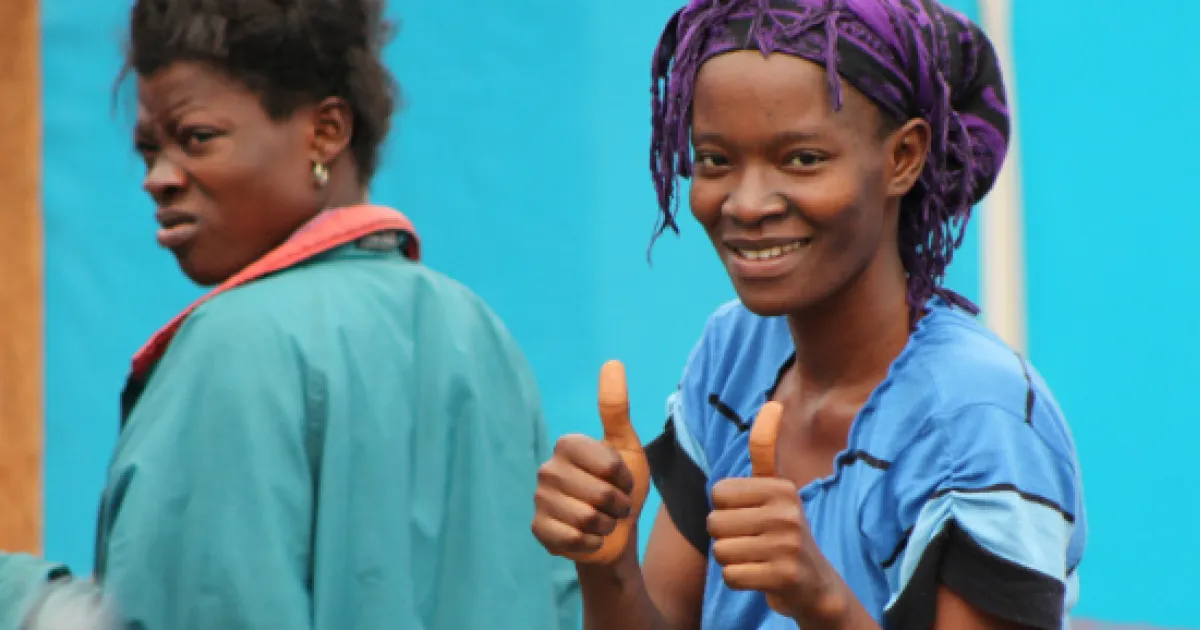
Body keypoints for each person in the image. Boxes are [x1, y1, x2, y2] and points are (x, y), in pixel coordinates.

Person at [0, 0, 579, 628]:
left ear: (326, 131)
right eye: (147, 150)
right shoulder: (478, 334)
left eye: (196, 138)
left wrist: (26, 604)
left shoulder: (231, 348)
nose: (158, 178)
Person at [531, 1, 1086, 629]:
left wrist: (823, 603)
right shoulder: (735, 352)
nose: (746, 204)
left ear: (903, 158)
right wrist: (606, 565)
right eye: (715, 160)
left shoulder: (977, 418)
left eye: (802, 159)